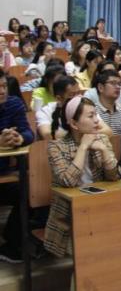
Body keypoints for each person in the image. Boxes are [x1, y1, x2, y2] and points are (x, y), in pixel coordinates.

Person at [44, 96, 119, 259]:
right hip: (69, 215)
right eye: (91, 116)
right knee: (89, 254)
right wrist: (83, 147)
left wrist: (104, 151)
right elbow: (68, 181)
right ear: (74, 124)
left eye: (96, 115)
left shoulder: (102, 139)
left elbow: (114, 177)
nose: (97, 120)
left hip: (100, 207)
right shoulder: (56, 147)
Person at [0, 69, 34, 262]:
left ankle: (11, 244)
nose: (2, 91)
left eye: (4, 86)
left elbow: (29, 133)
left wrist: (20, 138)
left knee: (32, 191)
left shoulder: (14, 104)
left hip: (5, 175)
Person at [92, 70, 121, 135]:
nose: (118, 87)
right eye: (113, 83)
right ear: (100, 87)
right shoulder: (93, 112)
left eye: (119, 84)